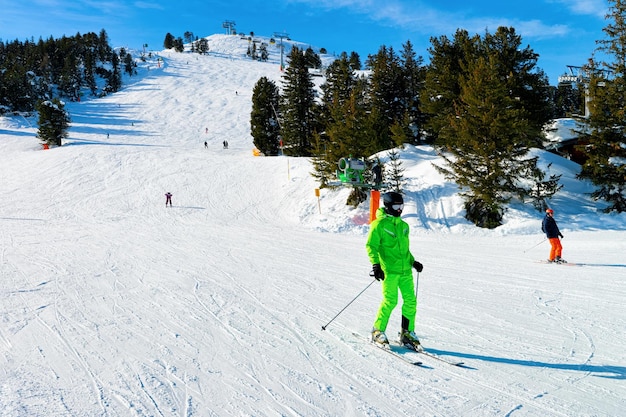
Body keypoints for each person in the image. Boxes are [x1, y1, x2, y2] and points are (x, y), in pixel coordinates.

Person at [366, 192, 424, 350]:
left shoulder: (404, 226)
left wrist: (413, 262)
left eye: (402, 206)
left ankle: (407, 333)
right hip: (389, 271)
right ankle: (377, 330)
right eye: (396, 206)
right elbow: (371, 246)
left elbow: (404, 250)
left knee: (411, 302)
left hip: (405, 272)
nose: (400, 209)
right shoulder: (379, 225)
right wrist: (376, 265)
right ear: (387, 206)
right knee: (390, 301)